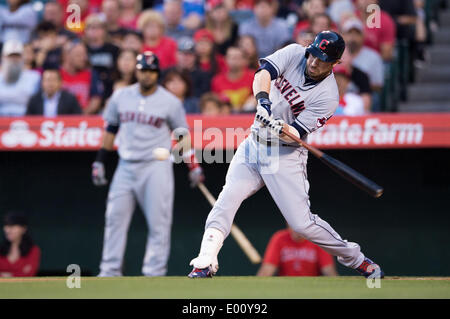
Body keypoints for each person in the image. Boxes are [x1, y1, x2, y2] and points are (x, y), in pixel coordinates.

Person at [187, 31, 384, 280]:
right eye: (313, 54)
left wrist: (282, 128)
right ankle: (205, 261)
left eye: (322, 60)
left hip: (285, 154)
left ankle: (356, 258)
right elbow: (263, 74)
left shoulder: (328, 96)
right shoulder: (294, 53)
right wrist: (263, 102)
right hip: (253, 144)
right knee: (226, 199)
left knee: (302, 224)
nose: (313, 62)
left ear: (335, 64)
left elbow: (297, 133)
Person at [93, 51, 205, 277]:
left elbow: (182, 136)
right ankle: (109, 270)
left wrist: (193, 166)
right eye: (144, 70)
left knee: (159, 223)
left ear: (157, 74)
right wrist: (100, 161)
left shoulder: (170, 102)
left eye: (152, 71)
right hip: (126, 165)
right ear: (136, 71)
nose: (147, 75)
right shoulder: (120, 96)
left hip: (156, 166)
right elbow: (111, 129)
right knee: (114, 219)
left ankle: (154, 273)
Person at [257, 227, 338, 276]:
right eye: (293, 224)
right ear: (287, 223)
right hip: (284, 288)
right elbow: (267, 269)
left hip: (311, 288)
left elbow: (328, 270)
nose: (297, 230)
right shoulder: (279, 238)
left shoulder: (317, 238)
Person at [60, 41, 104, 114]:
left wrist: (80, 117)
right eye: (79, 55)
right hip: (59, 120)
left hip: (83, 119)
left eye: (84, 55)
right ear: (66, 56)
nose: (84, 58)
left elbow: (96, 100)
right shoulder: (56, 74)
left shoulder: (91, 74)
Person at [84, 14, 120, 101]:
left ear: (104, 30)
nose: (94, 31)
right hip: (89, 88)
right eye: (91, 27)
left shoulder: (113, 49)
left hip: (109, 87)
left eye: (98, 27)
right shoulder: (82, 49)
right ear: (86, 30)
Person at [0, 40, 41, 117]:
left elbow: (35, 102)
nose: (14, 59)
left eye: (17, 56)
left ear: (22, 58)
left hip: (26, 120)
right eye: (10, 56)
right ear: (3, 58)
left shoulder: (34, 77)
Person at [211, 46, 255, 112]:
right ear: (225, 60)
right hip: (225, 118)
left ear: (245, 60)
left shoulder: (254, 77)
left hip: (249, 116)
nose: (233, 61)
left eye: (237, 58)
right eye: (231, 57)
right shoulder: (217, 80)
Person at [0, 212, 41, 277]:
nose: (8, 230)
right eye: (6, 226)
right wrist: (18, 273)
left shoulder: (33, 250)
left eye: (12, 226)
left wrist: (7, 275)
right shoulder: (1, 249)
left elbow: (29, 274)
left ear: (23, 229)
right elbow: (23, 273)